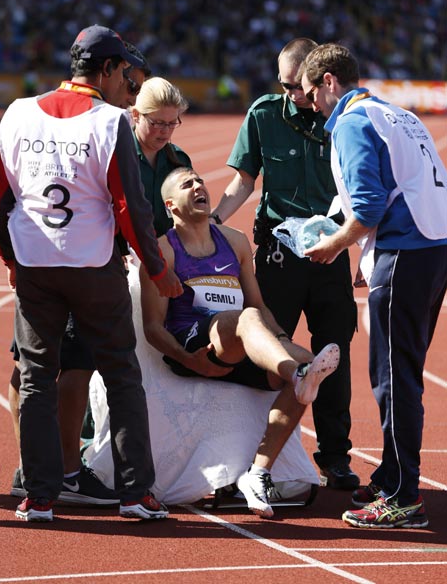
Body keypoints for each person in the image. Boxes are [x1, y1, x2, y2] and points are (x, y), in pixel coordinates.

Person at [0, 24, 182, 523]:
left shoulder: (17, 112)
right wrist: (157, 269)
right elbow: (129, 205)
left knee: (36, 379)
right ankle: (136, 493)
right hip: (94, 266)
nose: (129, 87)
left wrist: (10, 260)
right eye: (127, 75)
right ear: (108, 69)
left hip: (35, 264)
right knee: (121, 374)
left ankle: (40, 496)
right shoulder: (108, 120)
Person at [300, 43, 447, 529]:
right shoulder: (394, 113)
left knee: (393, 377)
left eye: (309, 92)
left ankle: (405, 496)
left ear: (327, 82)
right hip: (432, 246)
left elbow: (367, 207)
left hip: (405, 252)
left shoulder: (352, 122)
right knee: (402, 368)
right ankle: (391, 475)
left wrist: (334, 246)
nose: (310, 105)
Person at [139, 166, 341, 518]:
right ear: (170, 205)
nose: (200, 186)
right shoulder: (163, 254)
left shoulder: (234, 241)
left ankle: (258, 473)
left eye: (200, 181)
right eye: (188, 185)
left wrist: (278, 342)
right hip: (194, 345)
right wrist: (188, 360)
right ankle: (296, 373)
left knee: (308, 364)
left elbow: (259, 304)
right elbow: (153, 328)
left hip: (239, 342)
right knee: (252, 323)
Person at [211, 38, 359, 490]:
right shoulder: (264, 114)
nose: (292, 94)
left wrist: (361, 249)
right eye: (284, 85)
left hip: (332, 247)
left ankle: (335, 456)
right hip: (279, 251)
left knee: (334, 352)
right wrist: (212, 225)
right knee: (267, 350)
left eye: (297, 86)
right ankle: (251, 452)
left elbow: (360, 188)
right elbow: (243, 182)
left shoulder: (343, 121)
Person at [131, 76, 191, 236]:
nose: (165, 131)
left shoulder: (179, 161)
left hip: (169, 254)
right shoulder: (117, 157)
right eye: (157, 122)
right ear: (136, 115)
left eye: (172, 123)